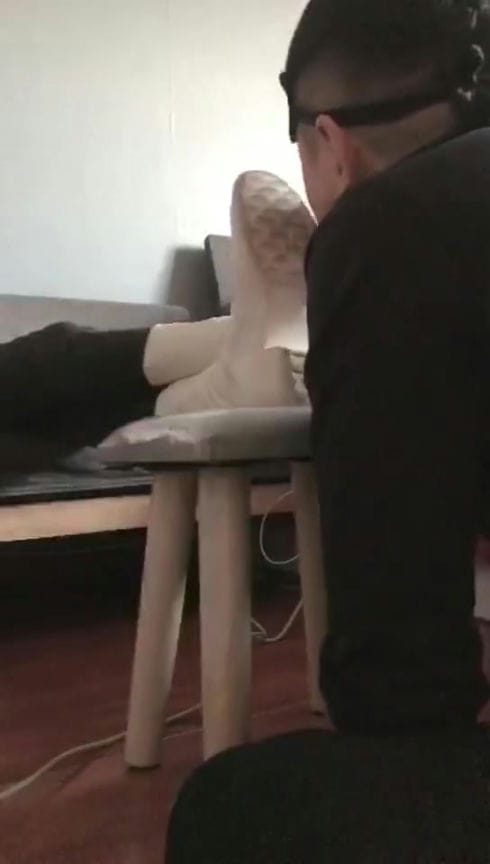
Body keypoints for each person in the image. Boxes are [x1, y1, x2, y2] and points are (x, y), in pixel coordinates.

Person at [165, 0, 490, 861]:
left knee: (226, 810)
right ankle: (241, 343)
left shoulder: (390, 228)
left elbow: (403, 698)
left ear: (332, 145)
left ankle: (247, 344)